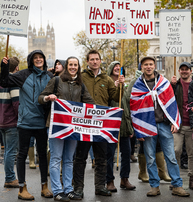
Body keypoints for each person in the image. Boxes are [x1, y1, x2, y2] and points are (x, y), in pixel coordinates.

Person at [130, 56, 189, 197]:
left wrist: (175, 122)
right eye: (145, 65)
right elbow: (134, 108)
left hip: (163, 124)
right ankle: (154, 186)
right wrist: (139, 131)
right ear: (142, 67)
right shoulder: (137, 85)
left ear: (154, 66)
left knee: (171, 156)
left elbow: (172, 103)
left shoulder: (164, 82)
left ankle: (177, 185)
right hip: (147, 126)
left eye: (151, 64)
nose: (148, 67)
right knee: (150, 157)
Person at [39, 56, 95, 201]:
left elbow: (90, 103)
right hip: (56, 125)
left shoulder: (80, 85)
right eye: (70, 64)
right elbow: (41, 97)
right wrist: (48, 98)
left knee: (69, 159)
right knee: (56, 158)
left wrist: (104, 113)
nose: (73, 67)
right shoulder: (56, 80)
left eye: (75, 65)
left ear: (78, 67)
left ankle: (69, 189)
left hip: (72, 127)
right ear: (66, 66)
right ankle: (57, 190)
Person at [0, 50, 53, 200]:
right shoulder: (23, 75)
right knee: (22, 155)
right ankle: (22, 188)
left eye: (40, 57)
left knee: (42, 155)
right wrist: (4, 67)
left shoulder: (50, 77)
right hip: (25, 122)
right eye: (35, 58)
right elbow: (4, 81)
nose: (38, 60)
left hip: (42, 123)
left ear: (44, 60)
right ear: (31, 60)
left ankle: (44, 186)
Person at [73, 50, 124, 197]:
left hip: (101, 125)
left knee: (102, 157)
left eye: (97, 59)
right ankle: (78, 188)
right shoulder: (80, 77)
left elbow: (115, 97)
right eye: (92, 59)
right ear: (88, 61)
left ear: (100, 61)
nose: (94, 62)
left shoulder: (106, 79)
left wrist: (120, 86)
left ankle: (100, 187)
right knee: (80, 158)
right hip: (84, 123)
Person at [105, 61, 135, 191]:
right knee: (109, 154)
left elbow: (128, 105)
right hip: (111, 124)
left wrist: (130, 126)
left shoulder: (126, 86)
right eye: (115, 67)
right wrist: (115, 88)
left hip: (124, 125)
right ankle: (109, 180)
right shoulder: (107, 84)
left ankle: (124, 179)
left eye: (120, 67)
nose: (118, 68)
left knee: (127, 152)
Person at [170, 62, 193, 190]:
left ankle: (192, 178)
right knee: (175, 151)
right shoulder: (176, 85)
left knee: (192, 152)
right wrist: (172, 85)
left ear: (190, 71)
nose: (184, 71)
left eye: (186, 69)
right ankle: (175, 179)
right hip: (178, 125)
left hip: (192, 125)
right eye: (182, 69)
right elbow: (168, 101)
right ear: (179, 71)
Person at [0, 57, 20, 188]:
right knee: (11, 152)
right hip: (11, 122)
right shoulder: (13, 81)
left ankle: (9, 176)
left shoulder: (1, 81)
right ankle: (10, 178)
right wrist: (21, 118)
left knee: (7, 150)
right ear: (16, 67)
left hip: (2, 121)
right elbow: (16, 103)